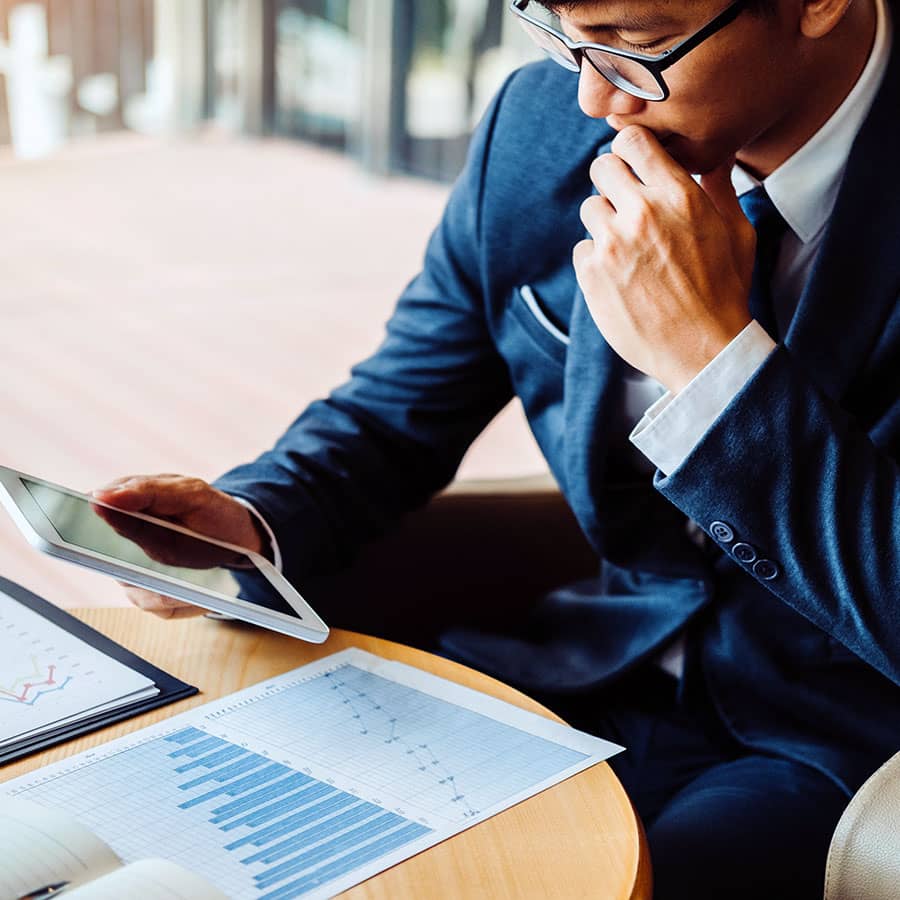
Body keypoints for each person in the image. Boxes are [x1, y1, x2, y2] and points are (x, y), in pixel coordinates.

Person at [94, 0, 900, 896]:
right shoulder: (535, 129)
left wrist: (710, 362)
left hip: (842, 742)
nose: (594, 98)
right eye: (565, 36)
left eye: (637, 45)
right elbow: (396, 409)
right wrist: (249, 519)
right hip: (591, 663)